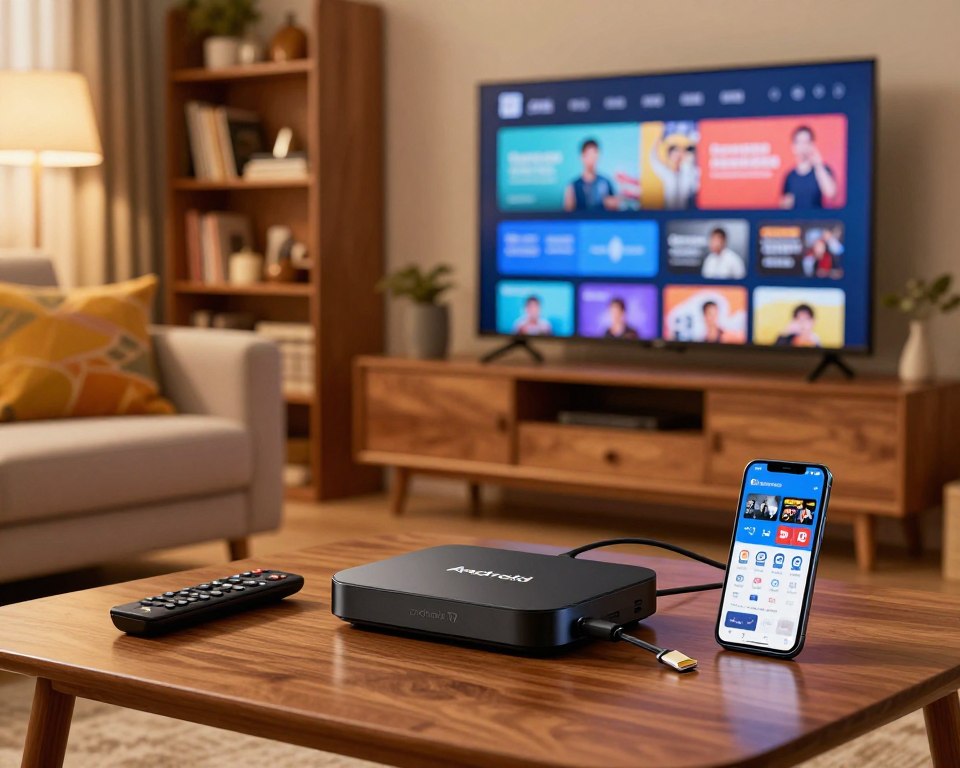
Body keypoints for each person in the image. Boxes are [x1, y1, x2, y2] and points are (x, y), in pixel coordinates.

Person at [780, 126, 838, 209]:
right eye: (799, 142)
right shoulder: (790, 176)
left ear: (812, 145)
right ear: (793, 146)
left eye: (806, 142)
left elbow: (831, 193)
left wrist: (818, 164)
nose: (802, 146)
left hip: (817, 221)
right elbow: (785, 205)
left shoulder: (822, 169)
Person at [649, 127, 699, 210]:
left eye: (679, 153)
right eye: (674, 153)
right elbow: (654, 160)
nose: (677, 156)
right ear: (669, 156)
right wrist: (656, 143)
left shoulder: (689, 170)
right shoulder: (667, 173)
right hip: (669, 213)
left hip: (689, 214)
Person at [564, 139, 619, 212]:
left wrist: (612, 204)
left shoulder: (606, 182)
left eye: (595, 154)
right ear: (582, 157)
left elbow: (616, 210)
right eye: (589, 155)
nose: (592, 159)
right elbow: (567, 214)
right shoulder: (573, 186)